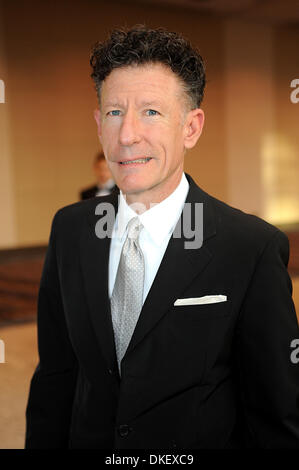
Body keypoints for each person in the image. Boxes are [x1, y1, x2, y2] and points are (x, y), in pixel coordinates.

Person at [25, 25, 299, 449]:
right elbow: (56, 379)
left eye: (151, 112)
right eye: (115, 112)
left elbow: (274, 413)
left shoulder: (249, 247)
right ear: (99, 124)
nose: (127, 134)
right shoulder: (71, 230)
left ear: (191, 127)